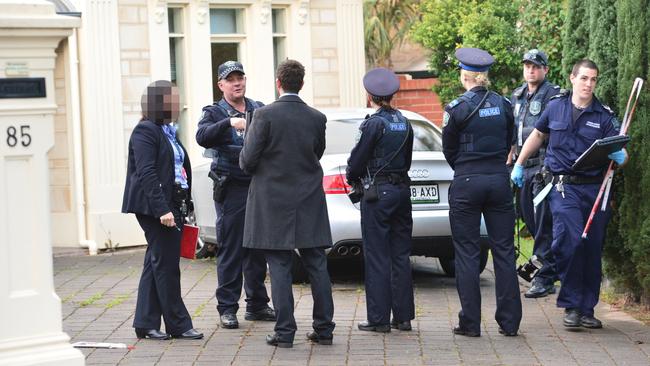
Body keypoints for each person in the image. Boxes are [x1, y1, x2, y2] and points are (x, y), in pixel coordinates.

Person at [511, 59, 628, 329]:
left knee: (591, 247)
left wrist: (620, 156)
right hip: (564, 188)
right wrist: (518, 165)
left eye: (593, 79)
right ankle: (572, 304)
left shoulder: (603, 116)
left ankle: (586, 309)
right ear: (572, 78)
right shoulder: (555, 107)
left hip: (595, 191)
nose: (588, 84)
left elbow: (622, 155)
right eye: (584, 78)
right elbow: (538, 136)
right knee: (570, 241)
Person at [239, 59, 335, 348]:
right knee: (317, 263)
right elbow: (316, 153)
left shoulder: (263, 116)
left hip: (272, 200)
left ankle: (284, 332)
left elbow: (247, 161)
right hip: (308, 197)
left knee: (279, 265)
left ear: (278, 83)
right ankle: (324, 329)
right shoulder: (317, 118)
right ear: (301, 84)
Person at [442, 48, 522, 337]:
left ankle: (470, 323)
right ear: (484, 77)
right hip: (499, 180)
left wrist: (466, 168)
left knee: (466, 252)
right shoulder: (503, 105)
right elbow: (509, 141)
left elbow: (449, 149)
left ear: (464, 77)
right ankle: (510, 322)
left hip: (466, 182)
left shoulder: (456, 108)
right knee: (504, 252)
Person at [195, 61, 274, 329]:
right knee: (231, 249)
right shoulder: (214, 112)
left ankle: (258, 305)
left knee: (257, 247)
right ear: (221, 85)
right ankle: (227, 308)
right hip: (231, 189)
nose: (237, 82)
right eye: (231, 79)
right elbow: (201, 136)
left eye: (240, 77)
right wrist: (229, 122)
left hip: (258, 186)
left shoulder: (259, 108)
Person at [122, 80, 203, 340]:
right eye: (171, 98)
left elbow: (176, 169)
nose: (176, 103)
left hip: (172, 203)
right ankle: (178, 325)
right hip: (156, 207)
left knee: (155, 262)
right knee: (167, 265)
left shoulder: (166, 130)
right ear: (158, 102)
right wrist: (162, 210)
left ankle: (145, 323)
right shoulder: (144, 131)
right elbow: (146, 173)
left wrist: (184, 205)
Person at [346, 67, 415, 333]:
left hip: (378, 194)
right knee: (400, 254)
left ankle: (378, 319)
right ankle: (404, 317)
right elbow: (406, 160)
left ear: (370, 95)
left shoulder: (373, 123)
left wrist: (353, 176)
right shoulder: (404, 122)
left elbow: (357, 161)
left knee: (377, 255)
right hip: (401, 192)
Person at [510, 49, 561, 298]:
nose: (530, 70)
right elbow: (514, 131)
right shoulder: (517, 95)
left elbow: (549, 132)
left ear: (545, 70)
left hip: (542, 168)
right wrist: (512, 161)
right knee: (530, 220)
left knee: (543, 224)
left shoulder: (554, 96)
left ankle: (545, 277)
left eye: (536, 66)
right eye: (527, 65)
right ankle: (551, 267)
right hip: (522, 166)